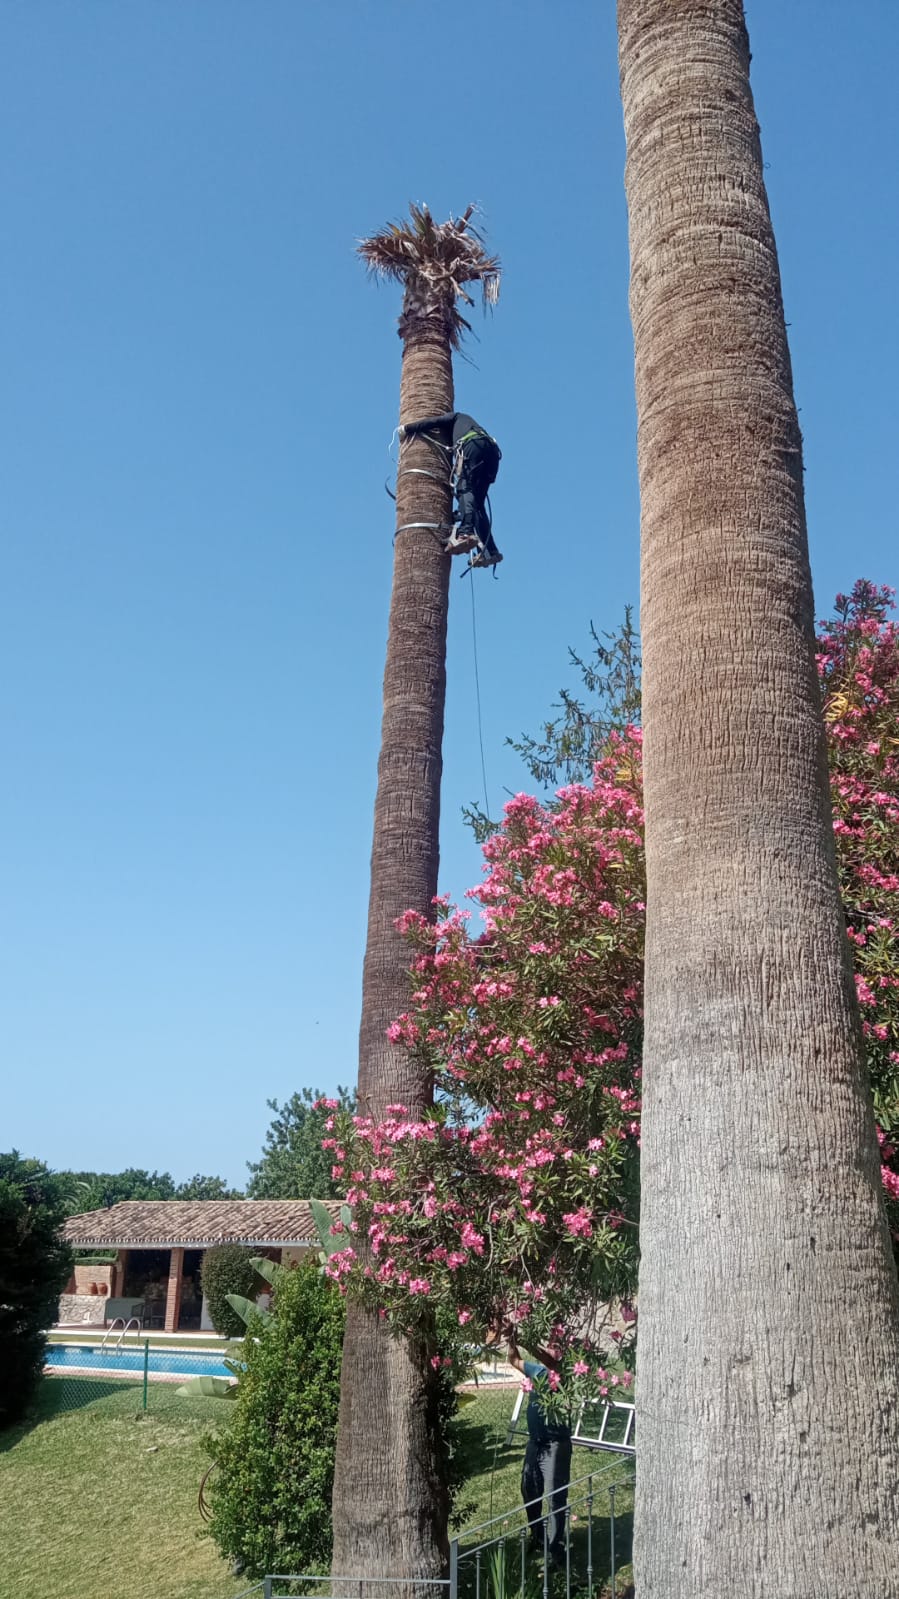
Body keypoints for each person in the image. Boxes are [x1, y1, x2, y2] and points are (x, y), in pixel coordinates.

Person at [398, 411, 503, 567]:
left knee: (464, 489)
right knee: (477, 505)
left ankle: (465, 533)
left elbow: (433, 421)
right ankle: (490, 551)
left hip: (474, 446)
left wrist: (407, 429)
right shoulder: (470, 425)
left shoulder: (456, 417)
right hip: (492, 453)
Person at [506, 1330, 572, 1566]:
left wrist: (524, 1339)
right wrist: (510, 1339)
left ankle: (555, 1550)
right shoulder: (538, 1371)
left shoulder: (565, 1373)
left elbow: (551, 1361)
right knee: (529, 1490)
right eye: (549, 1343)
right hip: (535, 1443)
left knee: (555, 1498)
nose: (549, 1348)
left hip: (555, 1445)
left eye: (555, 1345)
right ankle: (538, 1537)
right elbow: (514, 1359)